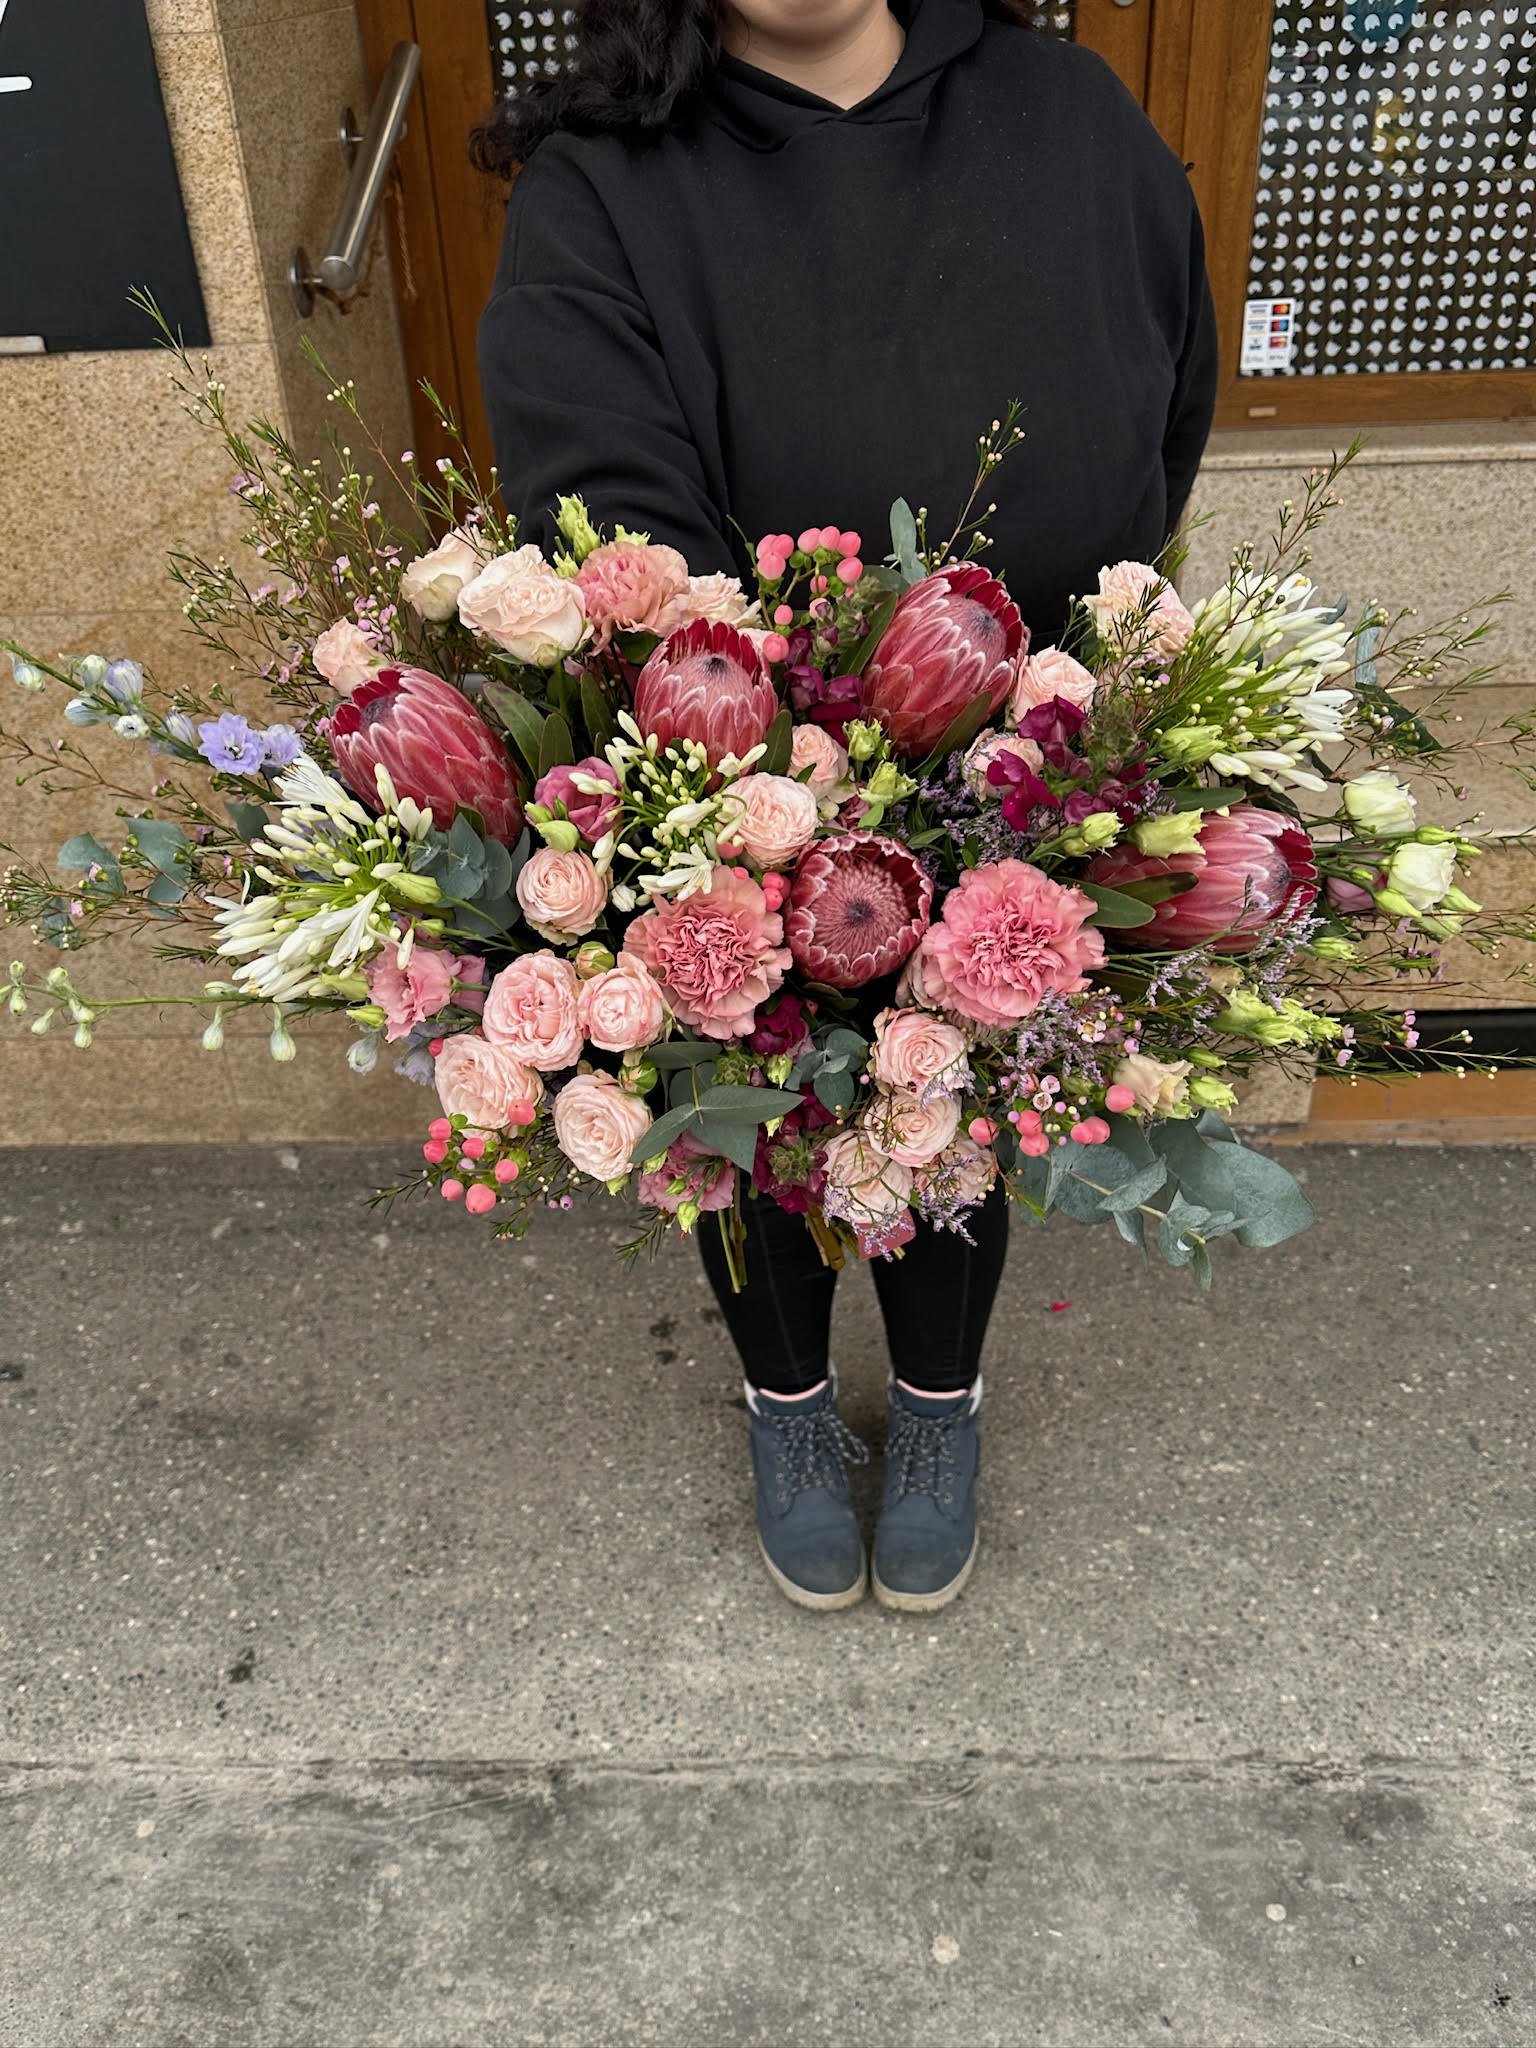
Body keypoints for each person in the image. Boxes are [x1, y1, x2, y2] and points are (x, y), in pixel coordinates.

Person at [475, 0, 1218, 1615]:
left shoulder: (1066, 113)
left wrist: (1036, 691)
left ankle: (940, 1408)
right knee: (741, 1122)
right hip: (729, 776)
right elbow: (591, 479)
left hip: (1020, 763)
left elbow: (1166, 395)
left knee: (957, 1098)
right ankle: (791, 1408)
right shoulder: (609, 174)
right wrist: (769, 729)